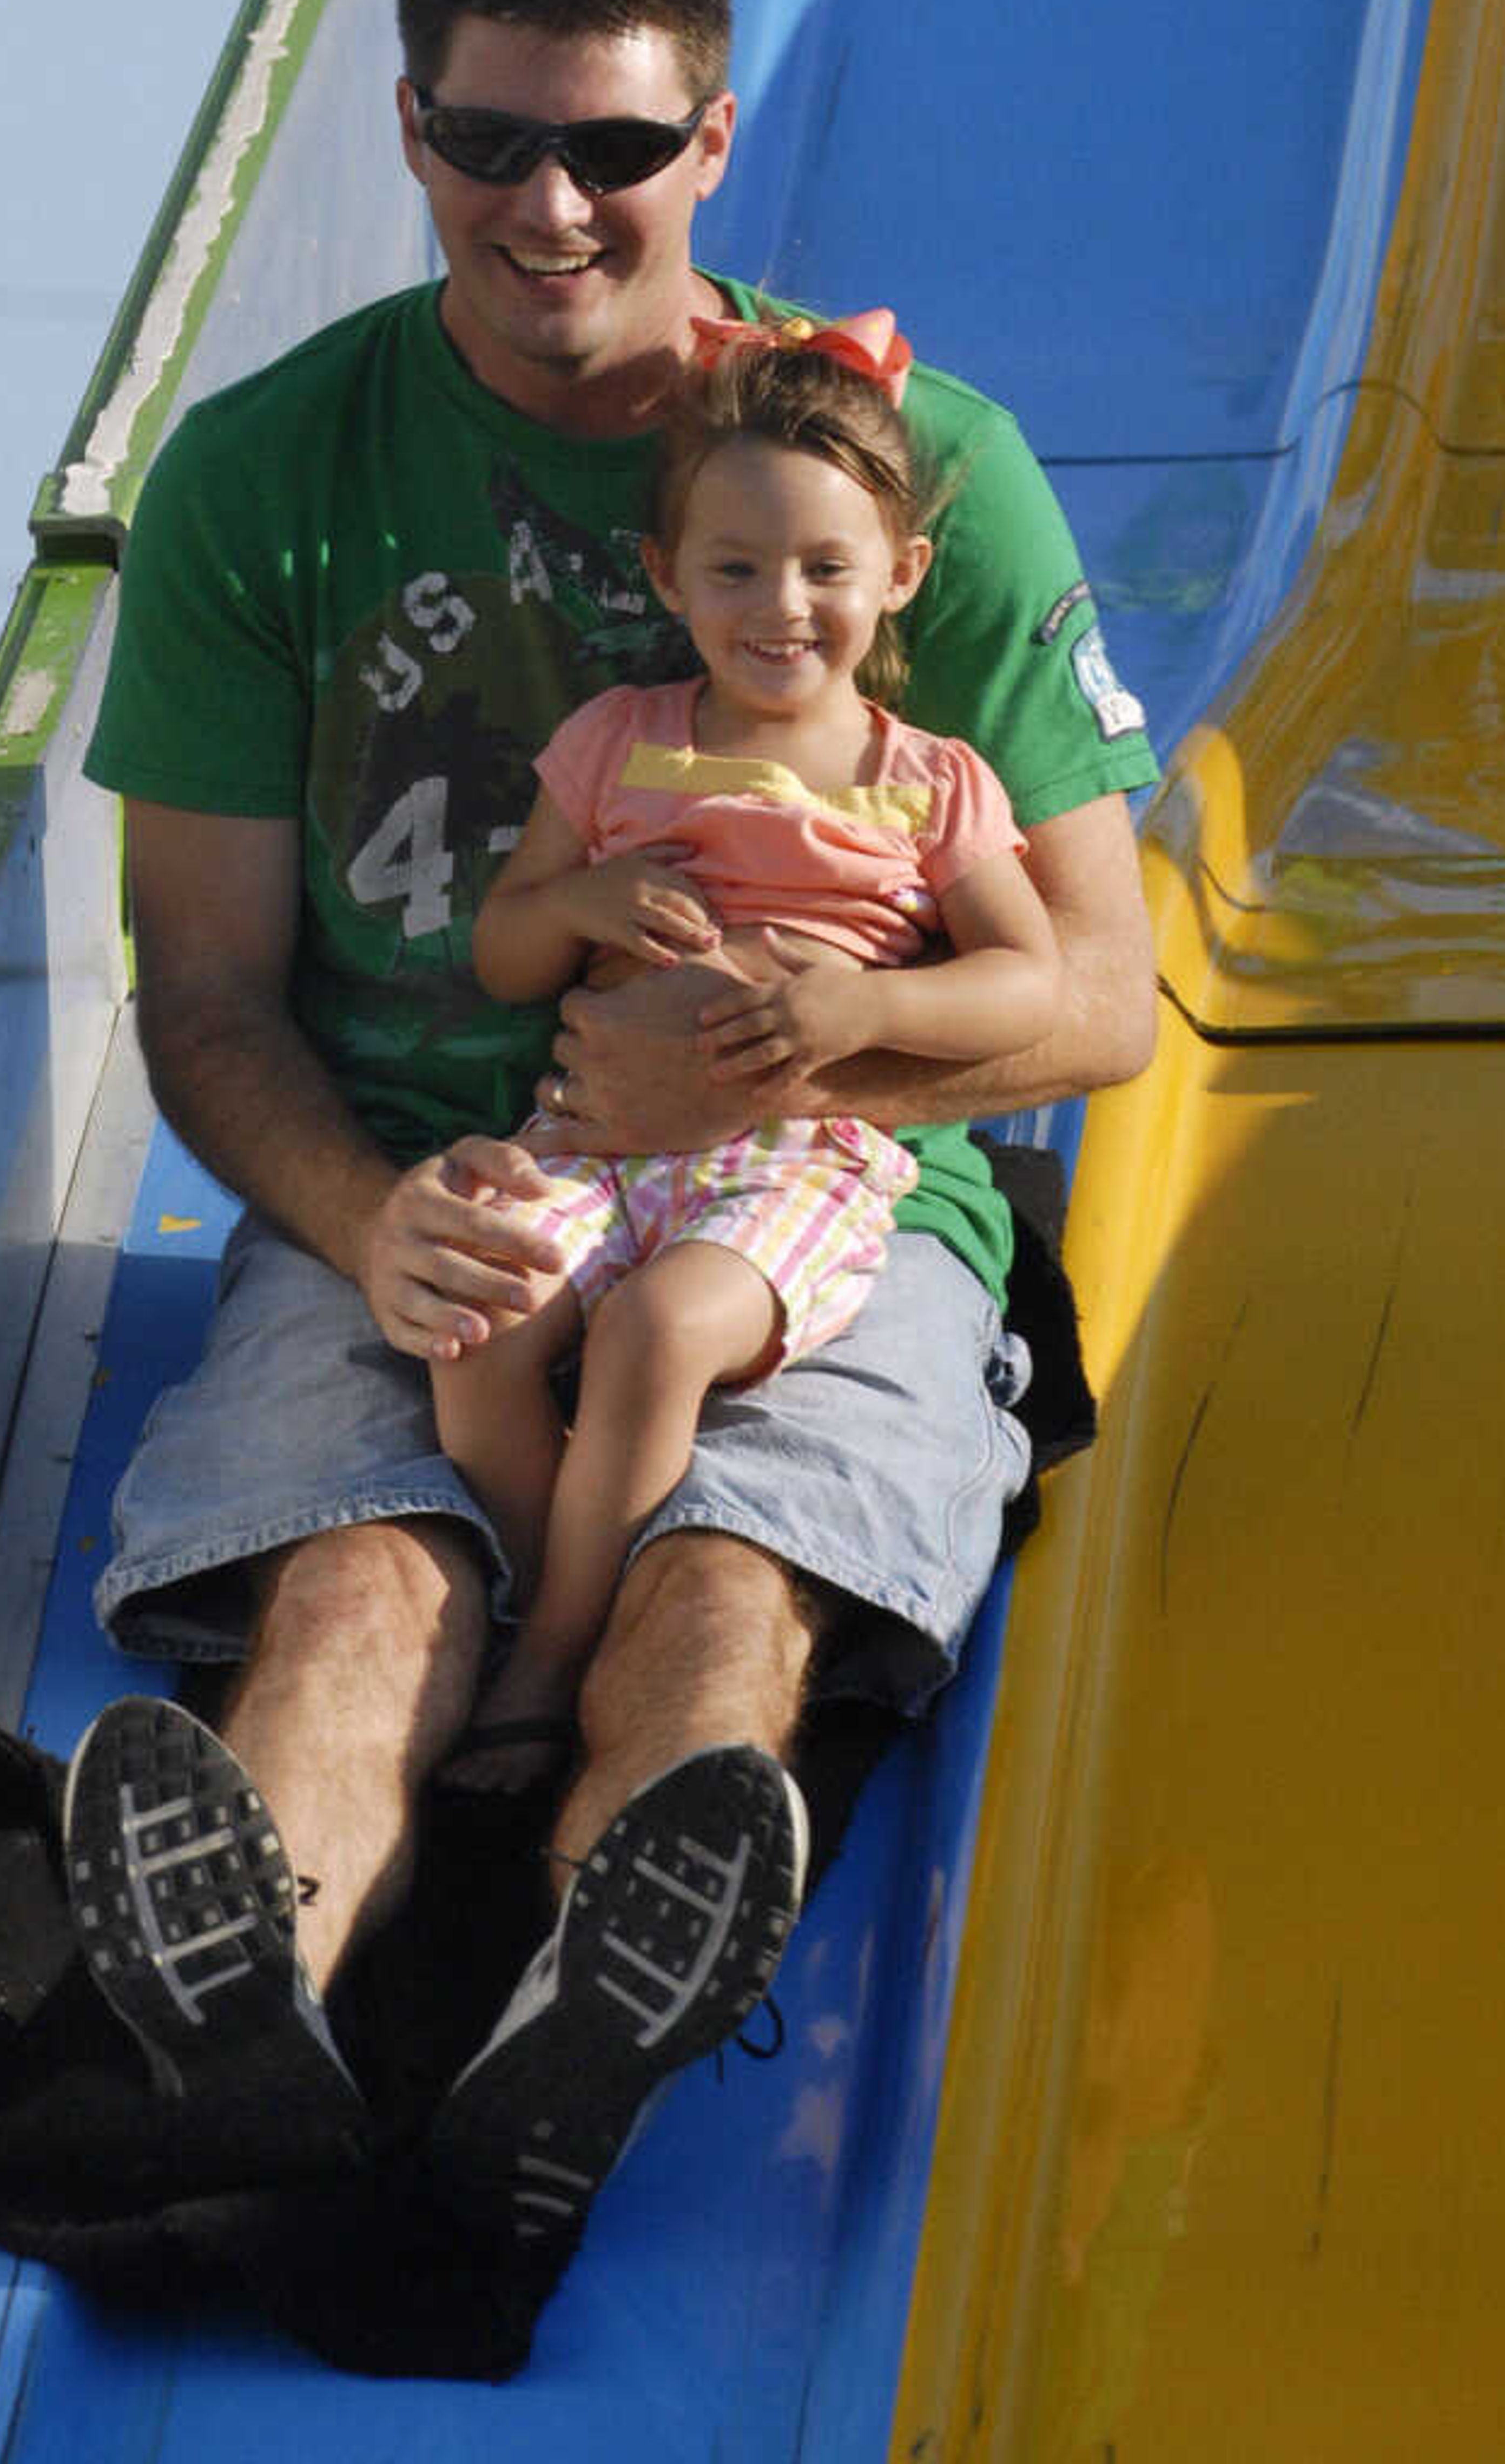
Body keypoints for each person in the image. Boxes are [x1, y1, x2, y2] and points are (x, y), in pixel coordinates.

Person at [55, 0, 1159, 2284]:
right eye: (482, 142)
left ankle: (587, 1990)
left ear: (716, 143)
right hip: (435, 1177)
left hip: (836, 1215)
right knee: (353, 1590)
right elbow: (206, 982)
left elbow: (1097, 998)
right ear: (415, 133)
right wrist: (370, 1224)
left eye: (616, 153)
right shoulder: (267, 476)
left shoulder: (899, 478)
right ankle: (250, 2013)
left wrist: (815, 1047)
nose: (547, 204)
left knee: (729, 1580)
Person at [431, 319, 1061, 1794]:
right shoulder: (616, 743)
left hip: (805, 1155)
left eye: (825, 569)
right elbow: (505, 949)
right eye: (736, 567)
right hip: (592, 1132)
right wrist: (579, 899)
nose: (782, 605)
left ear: (900, 574)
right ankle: (550, 1584)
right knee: (477, 1320)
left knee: (659, 1330)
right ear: (667, 575)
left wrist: (870, 1011)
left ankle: (547, 1658)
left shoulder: (926, 785)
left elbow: (1028, 979)